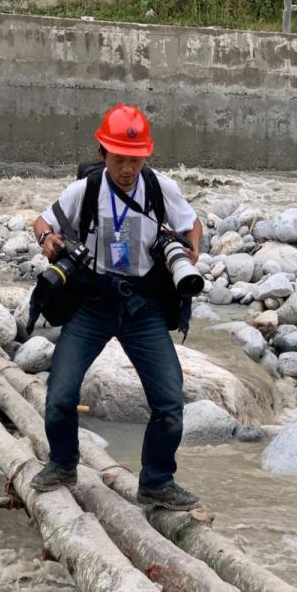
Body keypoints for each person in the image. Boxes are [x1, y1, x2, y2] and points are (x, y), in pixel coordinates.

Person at [30, 104, 203, 510]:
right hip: (93, 303)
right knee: (59, 395)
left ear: (147, 156)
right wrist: (47, 241)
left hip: (142, 306)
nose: (128, 168)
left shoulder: (161, 188)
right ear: (103, 152)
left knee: (169, 402)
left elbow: (191, 221)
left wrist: (193, 244)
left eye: (136, 160)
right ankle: (63, 463)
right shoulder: (85, 190)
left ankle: (157, 481)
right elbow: (42, 221)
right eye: (120, 159)